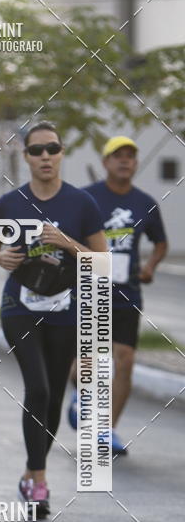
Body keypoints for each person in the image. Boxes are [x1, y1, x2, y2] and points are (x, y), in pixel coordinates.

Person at [0, 121, 106, 519]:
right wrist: (0, 258)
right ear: (26, 156)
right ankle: (38, 478)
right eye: (37, 150)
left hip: (66, 310)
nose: (45, 156)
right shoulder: (10, 204)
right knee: (37, 388)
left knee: (52, 397)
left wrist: (66, 242)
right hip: (20, 308)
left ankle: (30, 472)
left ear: (62, 152)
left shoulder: (81, 204)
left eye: (52, 148)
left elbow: (102, 263)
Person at [66, 136, 169, 454]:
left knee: (124, 360)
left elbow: (160, 242)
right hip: (90, 291)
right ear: (105, 162)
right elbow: (65, 237)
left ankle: (106, 430)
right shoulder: (86, 198)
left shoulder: (145, 203)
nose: (125, 161)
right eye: (118, 156)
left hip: (128, 294)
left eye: (130, 157)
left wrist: (150, 265)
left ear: (136, 164)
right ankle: (81, 395)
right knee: (84, 364)